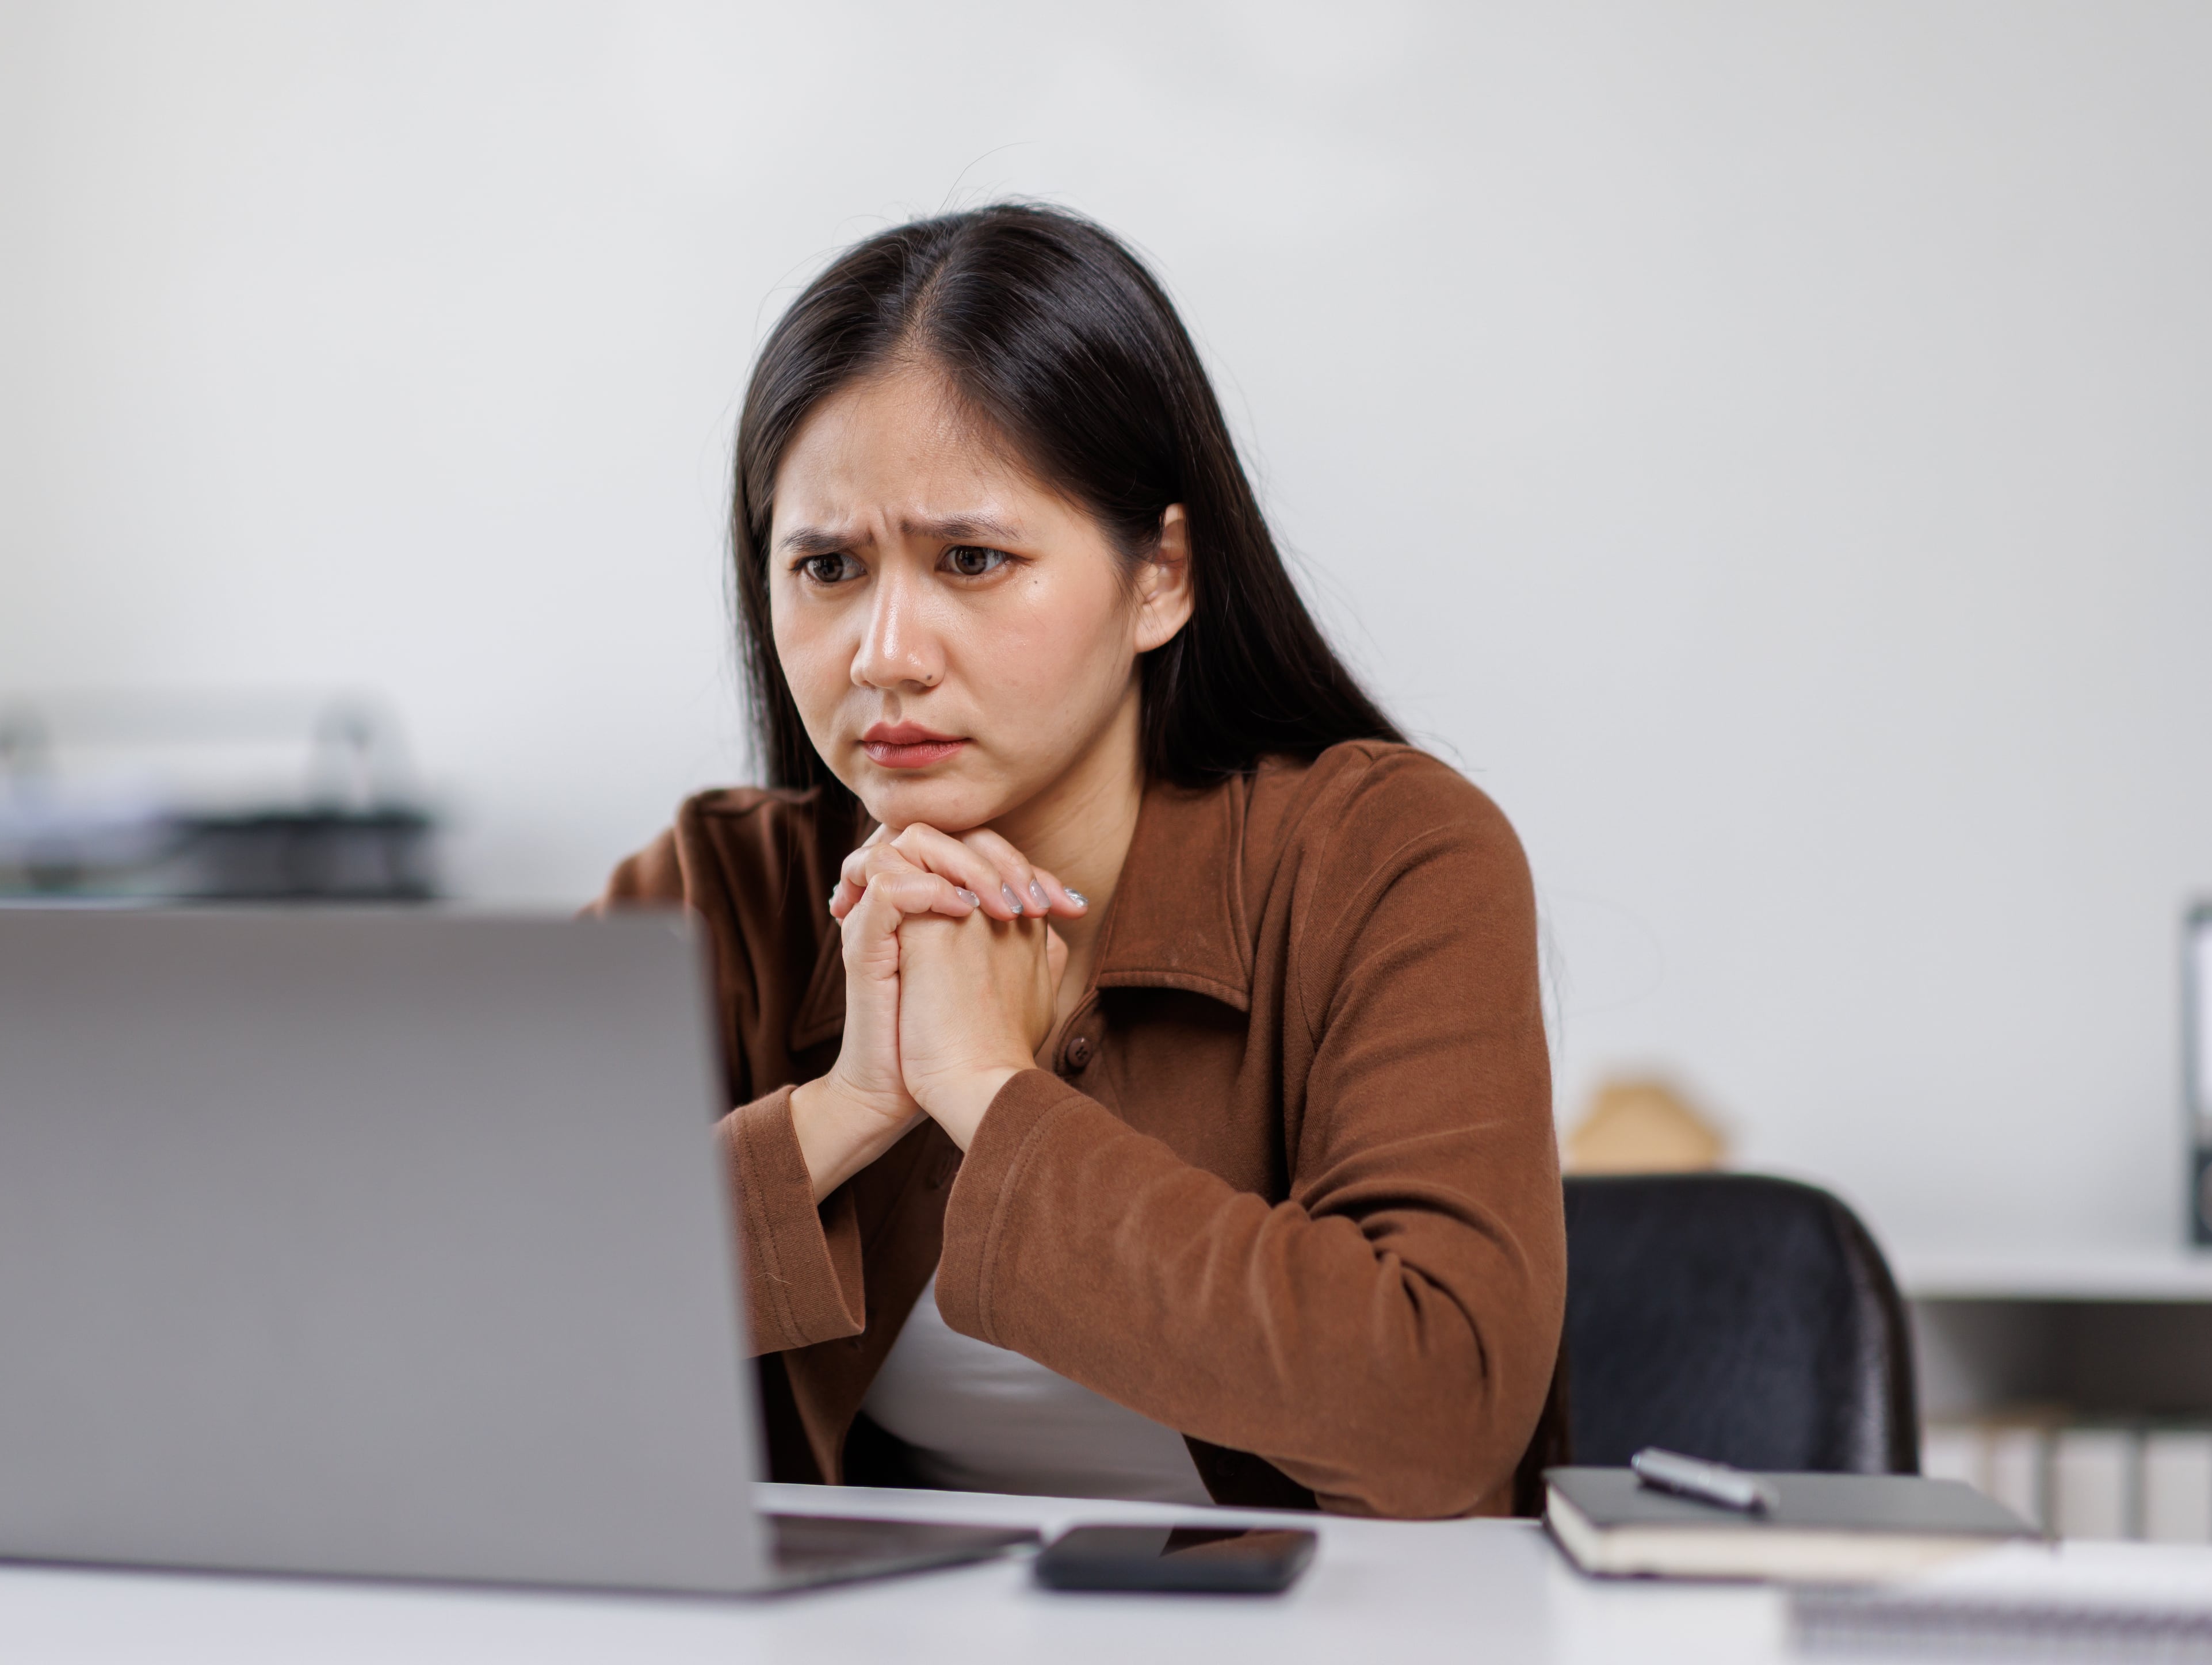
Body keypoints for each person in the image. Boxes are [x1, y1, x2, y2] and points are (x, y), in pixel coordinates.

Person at [598, 204, 1564, 1517]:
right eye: (825, 565)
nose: (883, 649)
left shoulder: (1386, 857)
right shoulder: (718, 891)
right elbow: (465, 1328)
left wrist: (989, 1090)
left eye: (972, 558)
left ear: (1160, 573)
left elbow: (1438, 1410)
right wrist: (840, 1110)